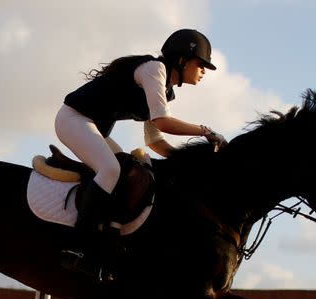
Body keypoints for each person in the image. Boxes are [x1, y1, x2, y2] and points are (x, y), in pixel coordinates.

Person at [56, 28, 228, 283]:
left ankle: (111, 238)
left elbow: (155, 141)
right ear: (182, 60)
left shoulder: (165, 89)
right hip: (73, 119)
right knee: (111, 170)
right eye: (201, 64)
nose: (203, 71)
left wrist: (184, 163)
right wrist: (205, 131)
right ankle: (78, 248)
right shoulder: (154, 70)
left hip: (93, 128)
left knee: (132, 170)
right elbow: (163, 122)